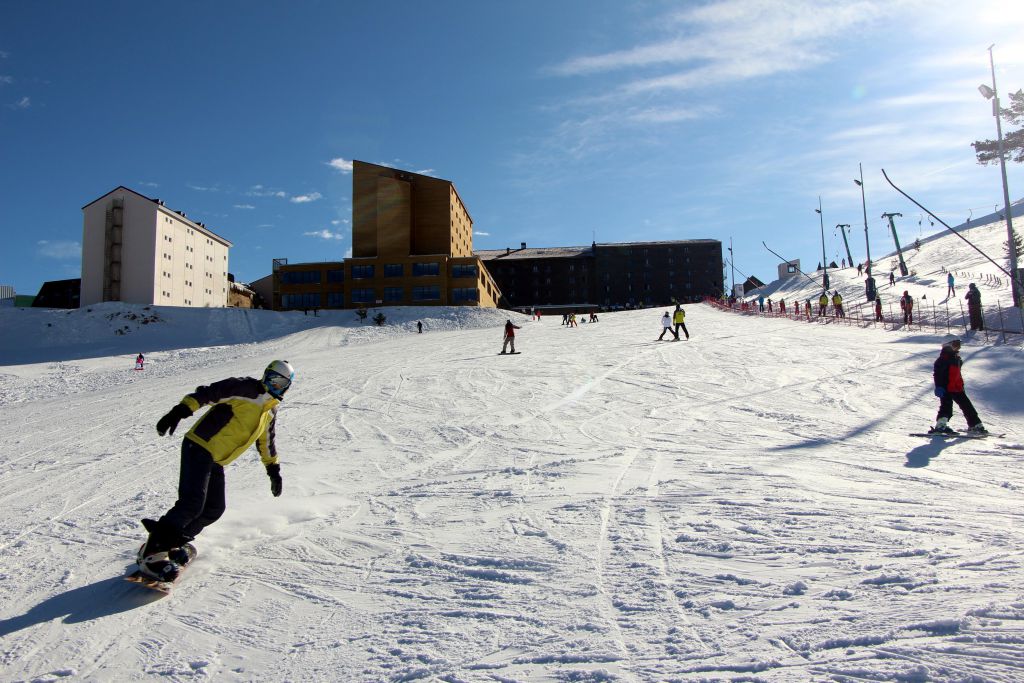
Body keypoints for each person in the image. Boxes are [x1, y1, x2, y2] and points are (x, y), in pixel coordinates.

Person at [137, 360, 294, 582]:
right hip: (199, 445)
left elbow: (266, 441)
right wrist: (180, 411)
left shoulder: (269, 411)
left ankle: (173, 545)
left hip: (216, 460)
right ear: (265, 375)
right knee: (192, 503)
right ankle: (152, 553)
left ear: (287, 386)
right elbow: (210, 393)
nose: (275, 385)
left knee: (213, 508)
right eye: (272, 379)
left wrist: (273, 469)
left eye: (281, 383)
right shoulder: (245, 388)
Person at [931, 339, 986, 434]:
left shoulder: (956, 358)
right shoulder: (942, 359)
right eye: (955, 344)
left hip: (957, 387)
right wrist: (939, 386)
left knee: (967, 405)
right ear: (947, 345)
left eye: (959, 345)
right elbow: (937, 374)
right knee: (946, 407)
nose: (958, 347)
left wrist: (961, 384)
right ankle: (941, 425)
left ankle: (975, 424)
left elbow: (957, 374)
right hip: (946, 387)